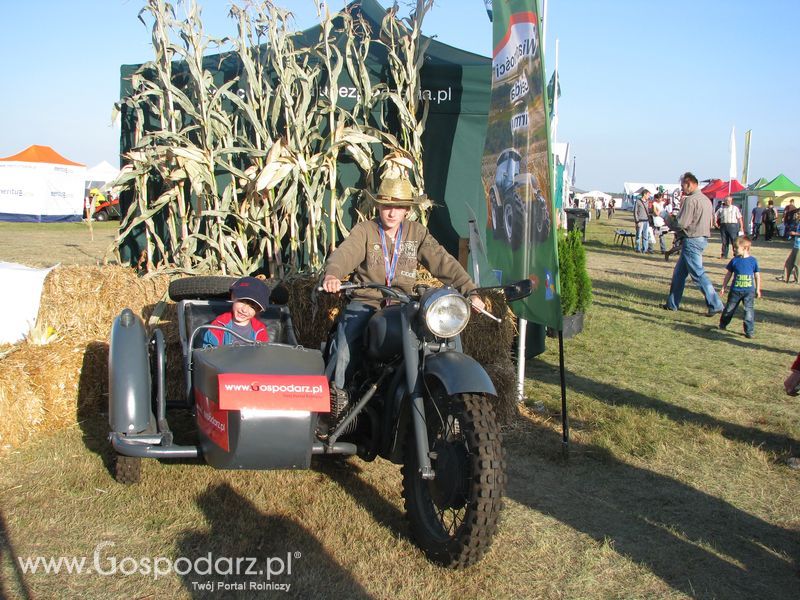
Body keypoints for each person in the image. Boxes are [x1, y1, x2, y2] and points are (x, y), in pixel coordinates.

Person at [321, 177, 485, 389]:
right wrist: (332, 275)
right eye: (387, 206)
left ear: (407, 209)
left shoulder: (416, 233)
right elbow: (345, 254)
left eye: (398, 207)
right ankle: (336, 396)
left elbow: (443, 261)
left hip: (403, 306)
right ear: (378, 205)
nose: (392, 212)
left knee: (438, 340)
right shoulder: (366, 231)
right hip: (367, 302)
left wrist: (470, 290)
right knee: (344, 347)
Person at [663, 172, 724, 315]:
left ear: (689, 183)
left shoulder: (691, 200)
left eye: (682, 185)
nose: (682, 189)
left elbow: (680, 224)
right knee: (679, 274)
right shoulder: (706, 200)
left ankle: (716, 304)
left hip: (691, 240)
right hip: (701, 238)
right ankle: (672, 304)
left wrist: (665, 217)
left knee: (698, 274)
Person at [202, 276, 270, 347]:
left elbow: (262, 354)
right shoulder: (218, 325)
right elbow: (208, 353)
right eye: (242, 301)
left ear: (258, 310)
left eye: (252, 307)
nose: (244, 310)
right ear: (233, 297)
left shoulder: (260, 330)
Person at [718, 236, 761, 338]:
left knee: (748, 311)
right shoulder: (734, 261)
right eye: (734, 248)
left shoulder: (753, 261)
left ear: (745, 248)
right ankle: (723, 324)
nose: (734, 250)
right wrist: (724, 286)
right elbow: (728, 274)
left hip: (748, 292)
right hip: (735, 291)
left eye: (736, 248)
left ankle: (749, 331)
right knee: (729, 309)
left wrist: (758, 289)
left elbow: (757, 275)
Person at [777, 211, 800, 283]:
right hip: (796, 245)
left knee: (797, 264)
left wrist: (795, 233)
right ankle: (785, 277)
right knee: (789, 262)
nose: (796, 215)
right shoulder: (798, 222)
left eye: (798, 214)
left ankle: (797, 280)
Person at [634, 189, 652, 254]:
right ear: (644, 194)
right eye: (648, 195)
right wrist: (637, 221)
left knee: (645, 236)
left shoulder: (648, 202)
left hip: (646, 221)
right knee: (638, 235)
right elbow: (635, 211)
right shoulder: (638, 201)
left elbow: (649, 210)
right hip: (640, 221)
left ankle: (645, 249)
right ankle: (637, 248)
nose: (649, 196)